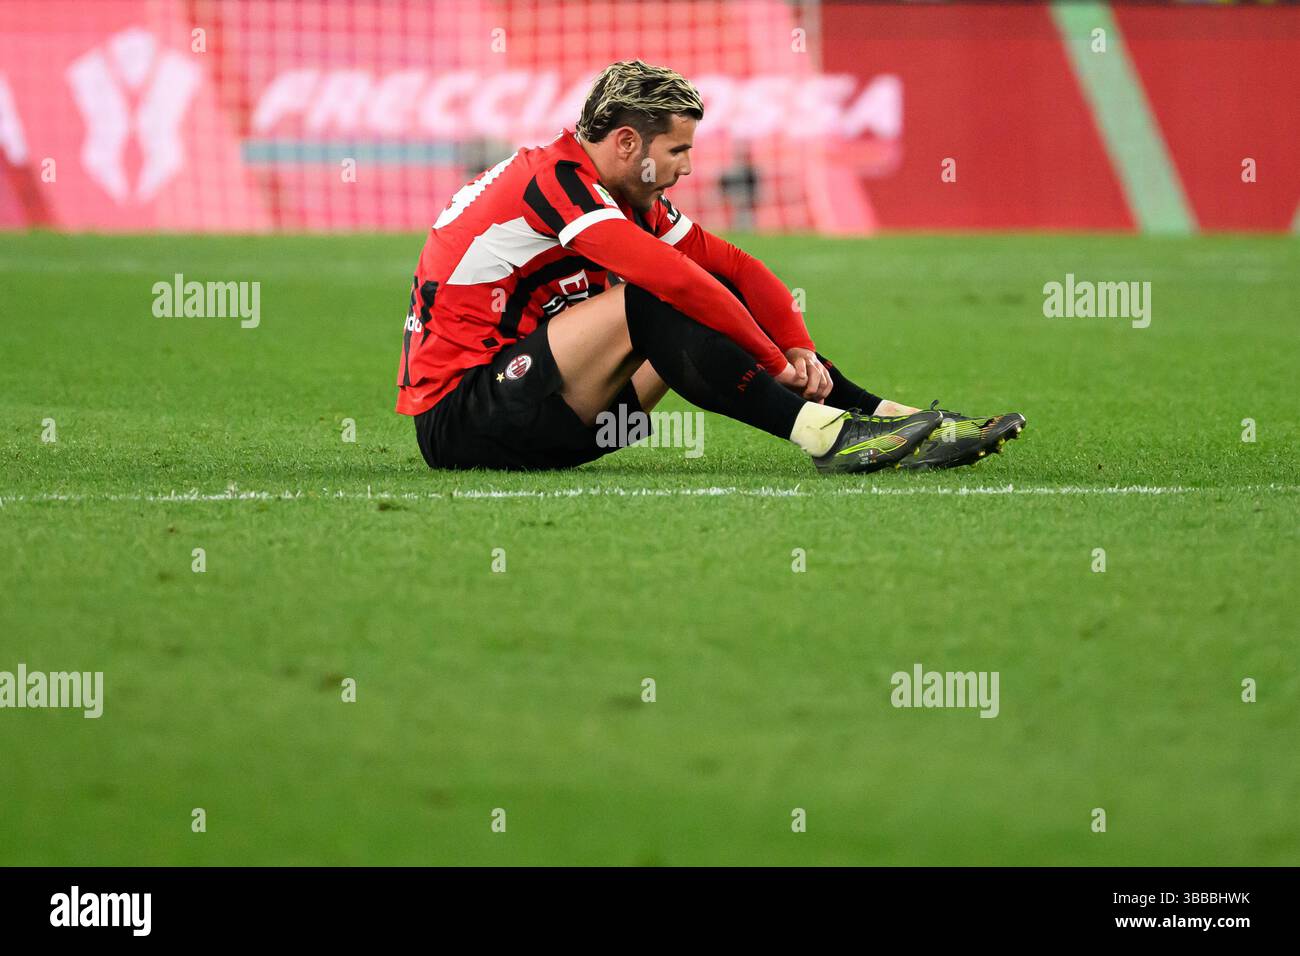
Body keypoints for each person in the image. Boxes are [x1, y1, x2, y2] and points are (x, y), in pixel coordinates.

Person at [396, 59, 1025, 472]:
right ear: (627, 143)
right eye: (677, 149)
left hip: (553, 413)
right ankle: (825, 436)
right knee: (656, 294)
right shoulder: (552, 179)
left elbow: (738, 269)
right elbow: (672, 281)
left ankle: (890, 420)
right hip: (465, 420)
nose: (689, 167)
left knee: (706, 286)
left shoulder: (624, 193)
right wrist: (773, 363)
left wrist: (798, 349)